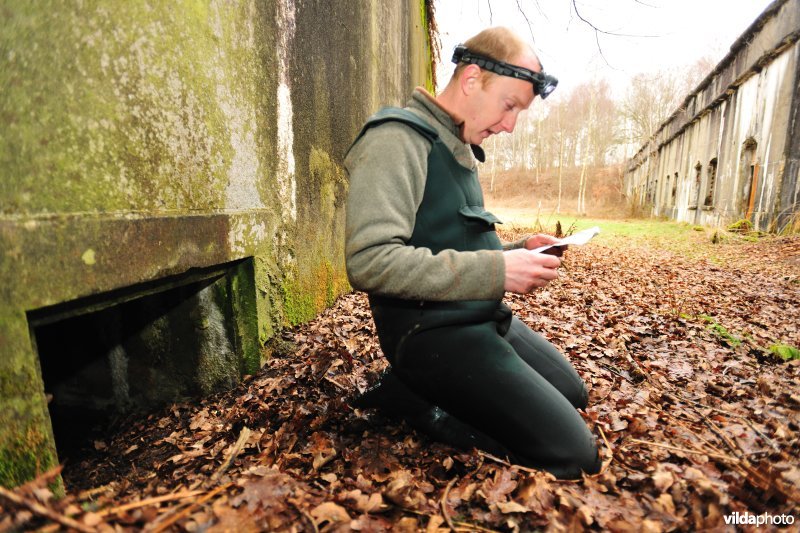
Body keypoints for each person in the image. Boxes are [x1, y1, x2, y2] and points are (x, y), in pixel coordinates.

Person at [343, 27, 600, 479]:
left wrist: (519, 250)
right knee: (574, 457)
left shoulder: (456, 142)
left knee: (574, 393)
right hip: (431, 334)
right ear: (472, 79)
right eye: (509, 105)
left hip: (479, 316)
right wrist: (499, 270)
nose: (510, 125)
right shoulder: (397, 139)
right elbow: (369, 260)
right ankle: (414, 401)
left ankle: (435, 394)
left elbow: (451, 246)